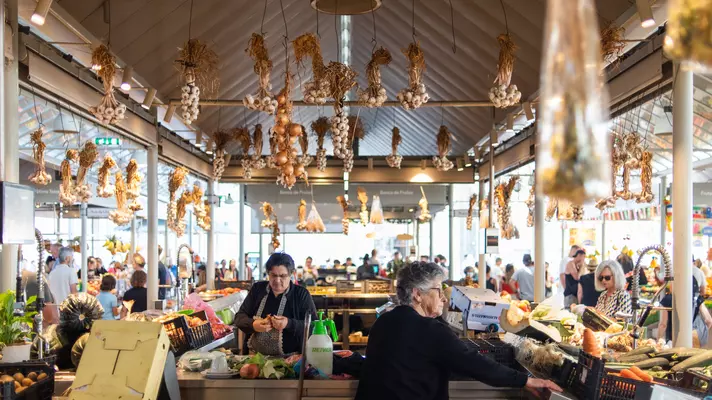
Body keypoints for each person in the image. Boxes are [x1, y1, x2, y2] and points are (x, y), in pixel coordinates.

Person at [354, 262, 561, 400]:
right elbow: (473, 363)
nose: (443, 298)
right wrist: (525, 380)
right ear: (417, 294)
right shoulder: (430, 330)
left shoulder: (383, 322)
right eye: (438, 290)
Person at [235, 253, 317, 356]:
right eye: (273, 275)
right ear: (268, 273)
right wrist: (253, 324)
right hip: (255, 358)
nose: (277, 281)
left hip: (290, 360)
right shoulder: (257, 289)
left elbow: (314, 325)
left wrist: (289, 323)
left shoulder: (301, 294)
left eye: (283, 276)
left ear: (292, 274)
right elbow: (239, 318)